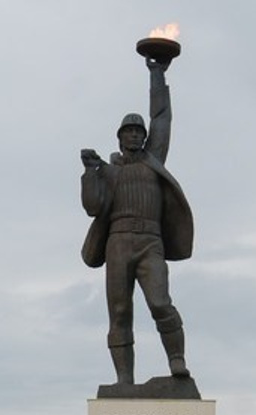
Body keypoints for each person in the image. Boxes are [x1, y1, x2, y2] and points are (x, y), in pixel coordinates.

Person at [80, 52, 193, 386]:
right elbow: (92, 207)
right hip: (117, 243)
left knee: (160, 302)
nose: (133, 136)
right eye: (128, 132)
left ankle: (177, 359)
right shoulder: (108, 170)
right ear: (119, 137)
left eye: (137, 132)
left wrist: (157, 75)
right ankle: (124, 380)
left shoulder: (153, 159)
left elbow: (162, 118)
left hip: (150, 242)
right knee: (119, 312)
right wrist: (90, 173)